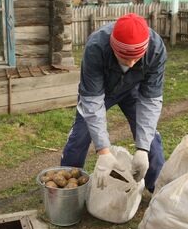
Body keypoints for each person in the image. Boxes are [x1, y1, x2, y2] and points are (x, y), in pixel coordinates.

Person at [61, 13, 167, 192]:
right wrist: (103, 151)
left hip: (134, 90)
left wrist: (142, 148)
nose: (132, 64)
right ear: (113, 48)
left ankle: (158, 189)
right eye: (126, 58)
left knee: (151, 143)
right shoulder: (96, 47)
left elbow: (150, 101)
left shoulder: (156, 49)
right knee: (80, 135)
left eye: (137, 58)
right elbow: (92, 103)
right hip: (99, 91)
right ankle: (68, 189)